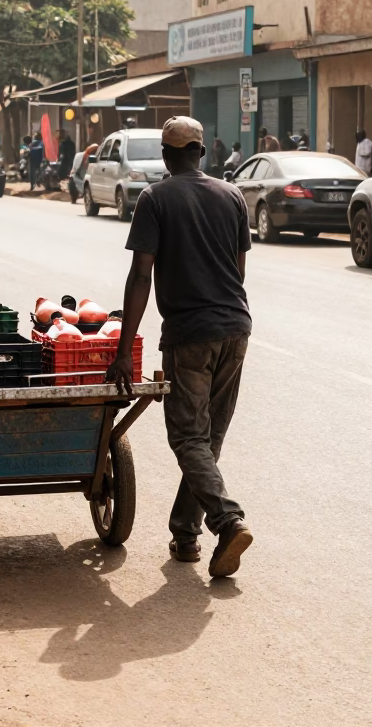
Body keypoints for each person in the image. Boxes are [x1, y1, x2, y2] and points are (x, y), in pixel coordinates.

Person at [108, 116, 253, 579]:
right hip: (235, 327)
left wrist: (123, 350)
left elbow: (140, 276)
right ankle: (186, 536)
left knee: (189, 438)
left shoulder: (155, 199)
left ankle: (227, 521)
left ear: (166, 157)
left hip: (190, 335)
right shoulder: (232, 196)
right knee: (207, 440)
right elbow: (239, 269)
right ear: (203, 152)